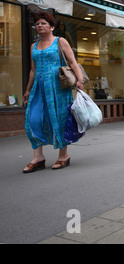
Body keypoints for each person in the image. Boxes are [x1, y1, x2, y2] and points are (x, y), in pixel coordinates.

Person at [22, 12, 84, 173]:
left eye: (43, 23)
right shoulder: (33, 46)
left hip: (58, 86)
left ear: (52, 26)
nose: (39, 26)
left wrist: (80, 80)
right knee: (33, 119)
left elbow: (72, 61)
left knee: (59, 118)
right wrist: (28, 90)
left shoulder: (60, 41)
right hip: (38, 87)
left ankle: (63, 155)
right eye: (37, 24)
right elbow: (33, 70)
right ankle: (38, 157)